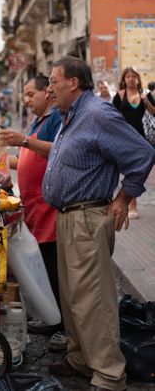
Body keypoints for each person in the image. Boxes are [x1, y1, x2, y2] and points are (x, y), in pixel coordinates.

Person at [44, 56, 155, 391]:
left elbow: (142, 154)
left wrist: (124, 197)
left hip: (87, 218)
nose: (50, 88)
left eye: (53, 81)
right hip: (68, 216)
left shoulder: (98, 114)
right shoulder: (71, 115)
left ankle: (108, 375)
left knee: (93, 300)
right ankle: (80, 358)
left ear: (73, 83)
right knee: (72, 296)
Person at [0, 75, 65, 350]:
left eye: (30, 94)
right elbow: (27, 160)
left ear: (47, 94)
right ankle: (50, 318)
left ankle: (62, 327)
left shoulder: (54, 121)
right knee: (41, 268)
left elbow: (58, 151)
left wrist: (24, 140)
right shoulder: (38, 121)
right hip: (33, 207)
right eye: (25, 95)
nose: (26, 100)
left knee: (53, 270)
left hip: (48, 207)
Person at [112, 67, 155, 218]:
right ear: (124, 80)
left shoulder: (144, 95)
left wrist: (146, 101)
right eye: (128, 76)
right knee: (130, 172)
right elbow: (112, 115)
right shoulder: (120, 95)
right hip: (125, 139)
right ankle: (132, 206)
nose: (130, 79)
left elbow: (153, 112)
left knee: (144, 171)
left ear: (137, 78)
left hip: (143, 139)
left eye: (133, 76)